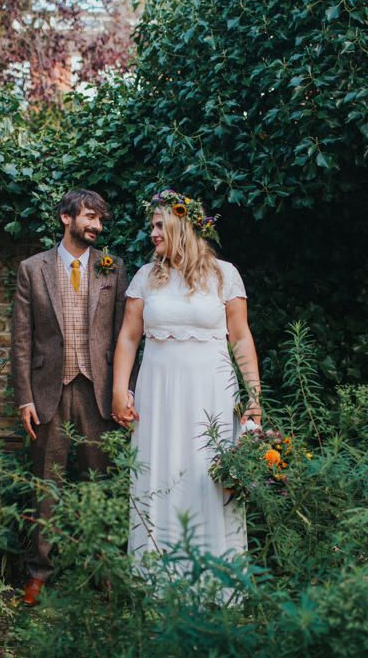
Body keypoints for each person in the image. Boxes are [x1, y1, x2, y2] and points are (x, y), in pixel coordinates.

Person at [111, 188, 261, 560]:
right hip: (158, 394)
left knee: (207, 474)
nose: (153, 234)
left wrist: (254, 397)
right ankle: (156, 572)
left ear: (183, 225)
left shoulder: (224, 275)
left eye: (160, 225)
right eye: (152, 227)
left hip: (211, 393)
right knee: (159, 473)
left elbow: (241, 339)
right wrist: (119, 390)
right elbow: (129, 338)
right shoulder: (146, 277)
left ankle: (214, 573)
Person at [11, 189, 129, 604]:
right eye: (89, 217)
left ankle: (103, 567)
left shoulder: (113, 268)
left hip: (98, 395)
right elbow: (21, 338)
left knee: (99, 480)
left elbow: (123, 338)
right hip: (49, 393)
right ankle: (39, 571)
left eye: (100, 219)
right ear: (66, 217)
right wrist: (24, 397)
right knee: (47, 484)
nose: (96, 226)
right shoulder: (32, 269)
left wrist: (121, 391)